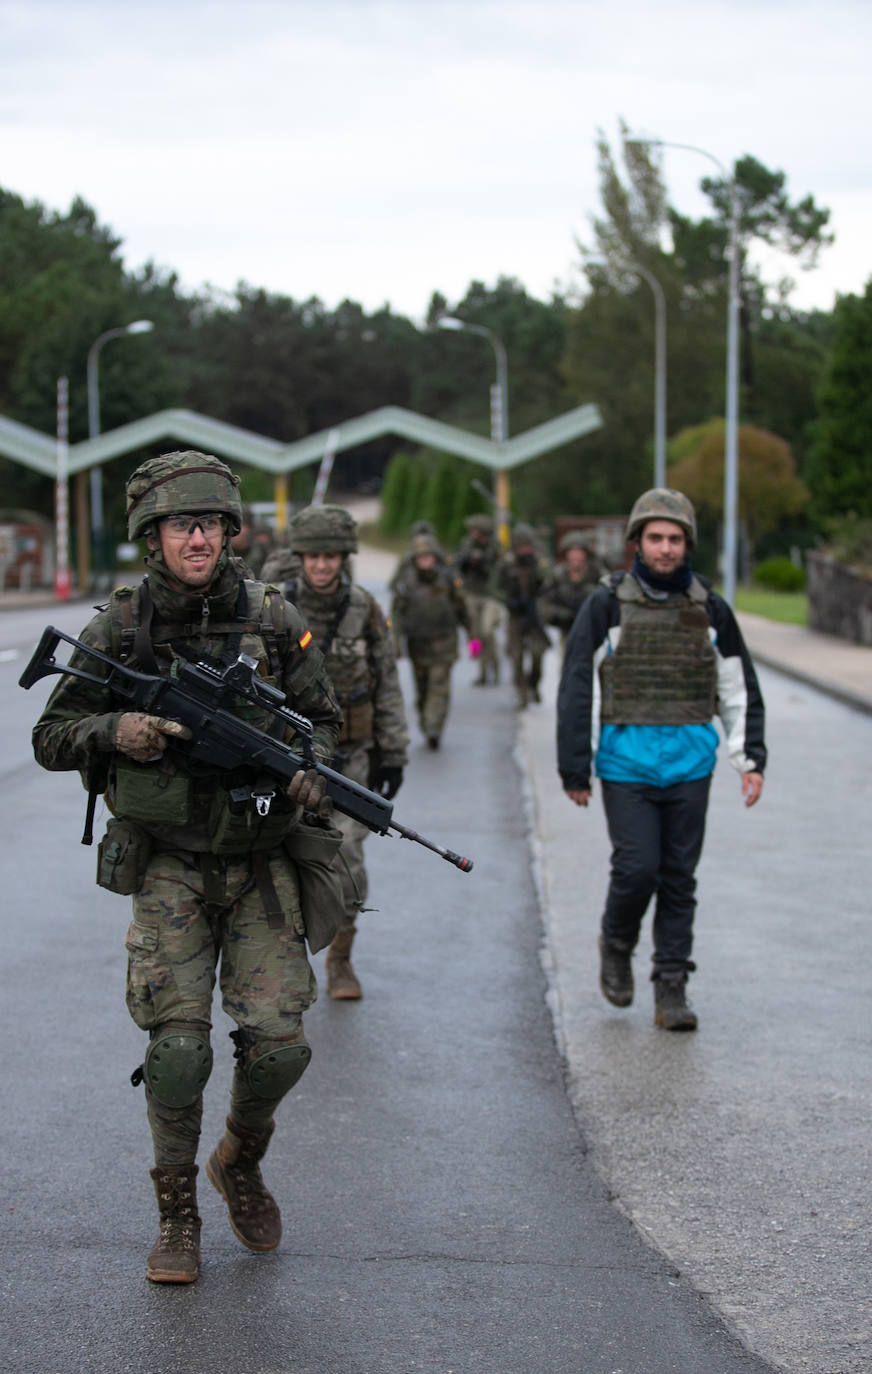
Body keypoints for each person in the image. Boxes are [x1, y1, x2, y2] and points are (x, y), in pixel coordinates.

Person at [31, 451, 343, 1285]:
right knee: (178, 1049)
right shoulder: (119, 628)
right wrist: (116, 731)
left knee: (280, 1046)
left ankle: (238, 1158)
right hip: (169, 862)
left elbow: (324, 721)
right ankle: (176, 1215)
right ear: (152, 535)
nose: (197, 537)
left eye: (209, 523)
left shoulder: (274, 620)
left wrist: (315, 770)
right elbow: (50, 736)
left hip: (261, 858)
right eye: (180, 525)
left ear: (230, 531)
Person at [556, 488, 766, 1031]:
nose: (666, 548)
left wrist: (749, 759)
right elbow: (578, 684)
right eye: (656, 538)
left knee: (678, 877)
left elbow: (737, 685)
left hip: (691, 765)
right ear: (638, 542)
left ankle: (671, 984)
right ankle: (617, 941)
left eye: (675, 539)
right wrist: (575, 766)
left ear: (686, 544)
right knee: (636, 869)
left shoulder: (709, 607)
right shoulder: (606, 604)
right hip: (625, 766)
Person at [276, 503, 410, 999]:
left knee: (348, 856)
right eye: (312, 556)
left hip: (352, 756)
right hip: (287, 756)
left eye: (331, 555)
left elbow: (387, 682)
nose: (322, 566)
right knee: (281, 858)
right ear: (300, 557)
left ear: (344, 557)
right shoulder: (276, 608)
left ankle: (341, 959)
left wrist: (394, 751)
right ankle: (284, 963)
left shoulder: (365, 610)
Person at [390, 531, 469, 750]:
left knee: (439, 686)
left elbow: (462, 608)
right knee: (423, 687)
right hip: (418, 644)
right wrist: (395, 643)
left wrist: (474, 637)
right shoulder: (406, 582)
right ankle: (426, 722)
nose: (425, 561)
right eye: (421, 557)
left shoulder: (448, 579)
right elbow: (396, 614)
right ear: (415, 560)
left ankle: (434, 728)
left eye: (429, 556)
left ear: (435, 557)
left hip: (445, 642)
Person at [493, 523, 553, 708]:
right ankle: (521, 694)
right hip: (515, 616)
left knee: (537, 654)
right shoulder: (507, 563)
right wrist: (508, 600)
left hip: (535, 615)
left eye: (527, 546)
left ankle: (533, 684)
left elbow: (550, 582)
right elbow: (494, 587)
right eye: (521, 546)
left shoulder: (539, 561)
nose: (524, 550)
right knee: (516, 656)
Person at [452, 512, 503, 685]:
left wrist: (483, 562)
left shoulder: (493, 547)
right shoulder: (466, 545)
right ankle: (481, 671)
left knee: (487, 631)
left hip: (488, 595)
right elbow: (457, 563)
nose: (472, 534)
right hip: (470, 593)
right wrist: (468, 560)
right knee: (474, 635)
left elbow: (497, 570)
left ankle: (495, 667)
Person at [541, 529, 603, 651]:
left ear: (585, 553)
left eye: (579, 552)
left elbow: (608, 602)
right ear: (566, 554)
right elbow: (544, 602)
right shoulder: (557, 576)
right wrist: (560, 615)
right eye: (572, 552)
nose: (575, 556)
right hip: (567, 630)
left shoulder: (597, 574)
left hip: (593, 631)